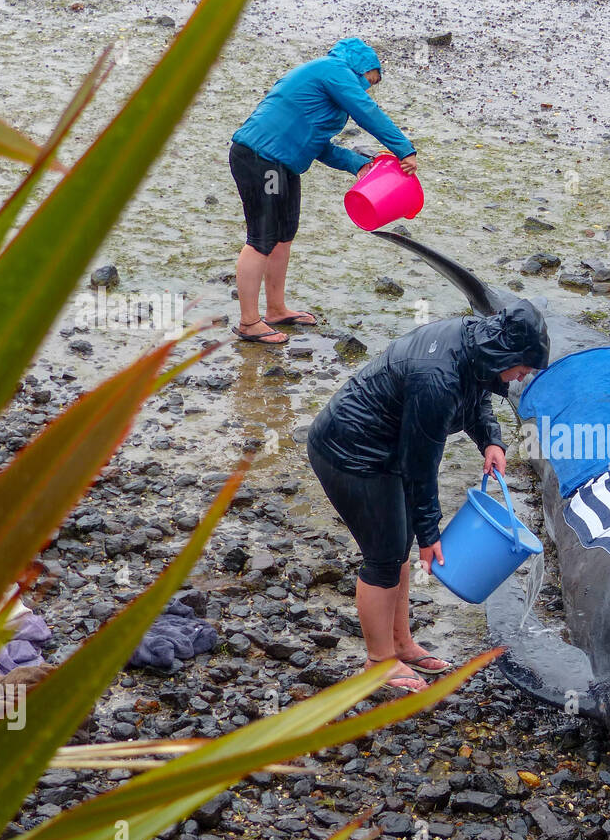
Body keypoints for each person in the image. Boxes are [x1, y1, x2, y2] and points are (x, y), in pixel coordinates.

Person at [307, 304, 550, 692]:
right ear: (505, 354)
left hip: (387, 451)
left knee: (396, 547)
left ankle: (401, 643)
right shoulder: (435, 378)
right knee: (384, 555)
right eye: (522, 369)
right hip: (349, 451)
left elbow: (479, 395)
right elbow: (420, 463)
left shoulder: (476, 346)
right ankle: (378, 661)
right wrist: (430, 534)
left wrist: (490, 440)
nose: (522, 377)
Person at [229, 37, 417, 345]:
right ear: (358, 67)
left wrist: (356, 164)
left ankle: (275, 309)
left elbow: (316, 144)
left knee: (283, 234)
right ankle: (249, 322)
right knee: (262, 238)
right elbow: (366, 111)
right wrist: (403, 148)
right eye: (366, 81)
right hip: (260, 159)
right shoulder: (332, 69)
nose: (365, 89)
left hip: (283, 163)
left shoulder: (327, 87)